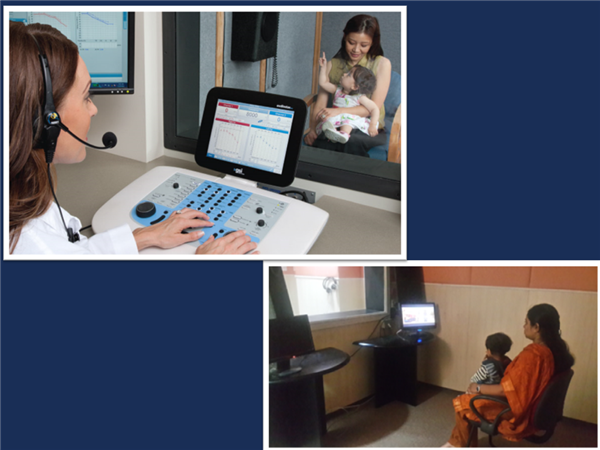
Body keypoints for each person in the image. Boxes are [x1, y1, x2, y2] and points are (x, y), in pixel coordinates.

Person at [9, 22, 257, 255]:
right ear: (43, 120)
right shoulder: (28, 241)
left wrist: (142, 236)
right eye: (86, 96)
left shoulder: (21, 194)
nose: (93, 109)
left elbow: (75, 255)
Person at [442, 304, 575, 447]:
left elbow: (506, 390)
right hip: (531, 406)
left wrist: (478, 388)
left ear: (536, 327)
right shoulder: (555, 350)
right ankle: (459, 442)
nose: (524, 326)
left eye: (526, 323)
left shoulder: (533, 356)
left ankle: (459, 445)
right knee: (471, 399)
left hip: (517, 411)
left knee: (463, 403)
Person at [304, 14, 392, 158]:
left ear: (373, 43)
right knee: (324, 140)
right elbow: (321, 103)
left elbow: (370, 109)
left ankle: (355, 180)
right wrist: (313, 129)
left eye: (364, 45)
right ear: (345, 37)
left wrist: (338, 112)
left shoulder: (381, 64)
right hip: (336, 122)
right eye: (351, 42)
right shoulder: (334, 65)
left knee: (351, 142)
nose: (356, 50)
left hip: (369, 126)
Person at [316, 52, 379, 144]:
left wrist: (372, 124)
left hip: (348, 118)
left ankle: (344, 134)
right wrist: (323, 67)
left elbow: (374, 108)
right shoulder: (337, 90)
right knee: (327, 119)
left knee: (348, 121)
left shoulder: (359, 97)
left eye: (349, 74)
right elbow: (323, 83)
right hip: (336, 117)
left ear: (354, 87)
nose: (345, 74)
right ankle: (333, 133)